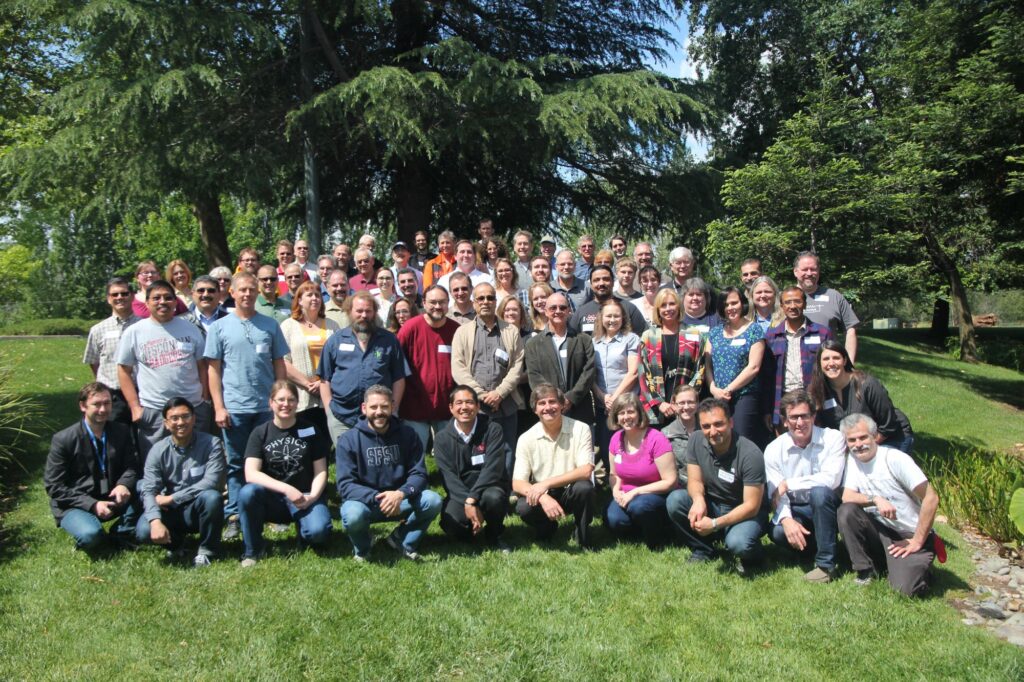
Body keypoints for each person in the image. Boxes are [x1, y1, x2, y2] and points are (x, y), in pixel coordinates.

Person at [204, 271, 289, 540]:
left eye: (252, 290)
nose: (247, 294)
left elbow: (279, 364)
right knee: (237, 463)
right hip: (235, 408)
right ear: (231, 292)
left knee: (272, 461)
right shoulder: (219, 327)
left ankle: (274, 512)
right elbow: (213, 370)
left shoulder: (270, 325)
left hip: (266, 407)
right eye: (242, 290)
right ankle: (234, 515)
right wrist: (219, 406)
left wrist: (281, 398)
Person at [838, 413, 940, 596]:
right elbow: (847, 496)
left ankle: (921, 567)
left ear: (874, 436)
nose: (858, 444)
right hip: (881, 531)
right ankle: (865, 570)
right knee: (846, 511)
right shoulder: (853, 459)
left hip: (909, 533)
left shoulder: (895, 459)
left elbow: (931, 498)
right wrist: (875, 499)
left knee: (905, 590)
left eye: (863, 437)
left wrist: (917, 540)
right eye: (852, 440)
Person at [336, 385, 442, 561]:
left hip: (401, 500)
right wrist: (379, 497)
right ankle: (363, 548)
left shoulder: (408, 434)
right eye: (374, 407)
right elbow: (345, 485)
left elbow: (419, 474)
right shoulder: (349, 440)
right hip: (367, 503)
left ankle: (401, 540)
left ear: (393, 407)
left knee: (432, 500)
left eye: (384, 407)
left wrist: (400, 494)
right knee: (352, 514)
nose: (379, 412)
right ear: (364, 408)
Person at [666, 398, 768, 573]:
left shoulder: (750, 454)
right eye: (706, 426)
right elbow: (695, 480)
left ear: (731, 422)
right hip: (714, 503)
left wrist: (714, 524)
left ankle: (755, 555)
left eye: (718, 424)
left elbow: (752, 506)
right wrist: (698, 500)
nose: (712, 431)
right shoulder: (696, 440)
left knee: (739, 543)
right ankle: (703, 549)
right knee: (675, 500)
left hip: (745, 511)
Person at [238, 381, 332, 566]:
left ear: (297, 403)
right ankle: (253, 550)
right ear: (271, 403)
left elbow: (321, 471)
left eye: (291, 400)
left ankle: (305, 531)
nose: (285, 404)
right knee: (247, 493)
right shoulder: (260, 433)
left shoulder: (311, 430)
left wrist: (313, 496)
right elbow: (251, 474)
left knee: (319, 533)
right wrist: (287, 489)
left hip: (306, 497)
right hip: (273, 500)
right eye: (280, 399)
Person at [117, 279, 210, 461]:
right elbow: (123, 371)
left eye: (168, 298)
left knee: (197, 459)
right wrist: (135, 407)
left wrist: (205, 397)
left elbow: (202, 366)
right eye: (156, 298)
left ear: (175, 302)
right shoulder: (135, 332)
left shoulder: (191, 328)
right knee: (157, 461)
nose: (162, 302)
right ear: (147, 302)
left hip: (193, 406)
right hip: (154, 409)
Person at [44, 382, 139, 552]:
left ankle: (120, 532)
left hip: (112, 496)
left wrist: (123, 484)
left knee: (144, 487)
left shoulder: (121, 431)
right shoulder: (64, 440)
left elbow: (132, 465)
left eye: (107, 403)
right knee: (90, 536)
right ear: (83, 406)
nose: (103, 409)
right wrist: (92, 504)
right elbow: (54, 486)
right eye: (97, 404)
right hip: (76, 503)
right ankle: (93, 534)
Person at [763, 390, 845, 582]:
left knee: (819, 493)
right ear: (784, 421)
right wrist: (786, 520)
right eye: (793, 417)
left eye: (804, 416)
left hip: (830, 507)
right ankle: (810, 550)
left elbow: (831, 480)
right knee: (777, 531)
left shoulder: (833, 438)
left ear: (813, 417)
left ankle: (826, 566)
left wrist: (789, 483)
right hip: (798, 509)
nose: (799, 423)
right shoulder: (774, 449)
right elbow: (776, 494)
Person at [136, 397, 225, 566]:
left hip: (199, 507)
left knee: (212, 497)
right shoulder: (158, 450)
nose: (181, 422)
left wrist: (172, 498)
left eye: (185, 416)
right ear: (166, 423)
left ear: (194, 418)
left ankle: (207, 550)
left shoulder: (212, 444)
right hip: (171, 510)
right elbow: (148, 489)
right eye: (174, 418)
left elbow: (211, 482)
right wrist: (155, 521)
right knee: (144, 530)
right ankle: (177, 545)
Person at [451, 283, 525, 471]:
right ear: (474, 303)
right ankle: (480, 490)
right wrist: (481, 395)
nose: (486, 302)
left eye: (490, 298)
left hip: (506, 403)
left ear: (495, 301)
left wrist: (499, 393)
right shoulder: (462, 332)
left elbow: (517, 365)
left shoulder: (511, 331)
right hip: (477, 406)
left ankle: (506, 490)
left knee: (508, 448)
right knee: (478, 449)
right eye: (481, 298)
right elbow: (458, 368)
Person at [318, 291, 408, 445]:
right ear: (349, 312)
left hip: (379, 415)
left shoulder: (389, 340)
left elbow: (399, 377)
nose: (364, 315)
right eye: (359, 311)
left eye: (368, 311)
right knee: (347, 463)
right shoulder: (335, 341)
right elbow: (324, 379)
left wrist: (394, 408)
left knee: (377, 460)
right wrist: (329, 410)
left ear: (374, 313)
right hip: (342, 415)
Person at [512, 384, 596, 548]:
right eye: (542, 403)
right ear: (535, 409)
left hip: (571, 490)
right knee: (523, 507)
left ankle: (582, 534)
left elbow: (586, 470)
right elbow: (517, 483)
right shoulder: (526, 438)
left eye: (552, 402)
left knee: (585, 488)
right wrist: (543, 496)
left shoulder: (581, 429)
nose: (548, 407)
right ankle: (547, 528)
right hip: (543, 493)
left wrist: (545, 483)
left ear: (562, 405)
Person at [434, 386, 511, 551]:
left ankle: (494, 535)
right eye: (459, 403)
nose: (464, 407)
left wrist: (472, 499)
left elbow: (493, 469)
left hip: (489, 487)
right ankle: (472, 531)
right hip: (460, 491)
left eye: (469, 402)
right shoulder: (441, 439)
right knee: (451, 523)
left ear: (477, 406)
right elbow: (449, 478)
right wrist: (467, 501)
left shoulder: (493, 429)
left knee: (494, 498)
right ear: (451, 408)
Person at [810, 340, 914, 453]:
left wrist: (859, 448)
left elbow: (888, 425)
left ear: (844, 360)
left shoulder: (867, 384)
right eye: (826, 359)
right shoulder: (819, 391)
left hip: (891, 437)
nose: (831, 363)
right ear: (819, 363)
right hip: (856, 443)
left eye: (836, 358)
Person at [605, 393, 676, 548]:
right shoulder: (615, 439)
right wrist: (615, 490)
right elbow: (613, 474)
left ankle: (657, 538)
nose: (626, 417)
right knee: (614, 520)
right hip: (626, 494)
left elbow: (670, 481)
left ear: (639, 413)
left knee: (640, 507)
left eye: (631, 412)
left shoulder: (656, 438)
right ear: (616, 417)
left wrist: (635, 492)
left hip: (654, 494)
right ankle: (640, 529)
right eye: (621, 413)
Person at [397, 284, 461, 451]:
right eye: (433, 302)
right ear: (424, 303)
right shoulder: (410, 328)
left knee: (449, 455)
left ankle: (447, 477)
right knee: (414, 455)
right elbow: (396, 363)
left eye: (442, 302)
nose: (438, 306)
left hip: (447, 406)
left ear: (448, 303)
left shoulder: (456, 331)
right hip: (414, 405)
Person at [762, 286, 834, 431]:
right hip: (783, 399)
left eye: (797, 301)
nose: (793, 306)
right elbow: (766, 377)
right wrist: (768, 410)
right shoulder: (771, 336)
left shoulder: (822, 333)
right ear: (782, 306)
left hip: (813, 399)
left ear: (805, 304)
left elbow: (831, 370)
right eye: (788, 302)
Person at [705, 286, 767, 446]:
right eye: (726, 304)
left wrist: (729, 389)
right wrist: (713, 388)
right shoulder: (715, 333)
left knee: (741, 439)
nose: (730, 308)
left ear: (743, 304)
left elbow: (754, 367)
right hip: (718, 396)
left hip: (744, 395)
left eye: (734, 303)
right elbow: (707, 364)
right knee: (721, 440)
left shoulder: (754, 330)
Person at [524, 292, 596, 425]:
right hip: (549, 411)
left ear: (569, 311)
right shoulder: (532, 344)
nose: (558, 311)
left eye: (562, 308)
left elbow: (589, 372)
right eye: (553, 308)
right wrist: (554, 400)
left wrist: (570, 398)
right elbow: (534, 376)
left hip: (580, 409)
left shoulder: (583, 340)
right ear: (545, 311)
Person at [638, 288, 706, 427]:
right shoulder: (648, 336)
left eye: (672, 304)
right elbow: (643, 374)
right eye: (663, 305)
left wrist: (683, 401)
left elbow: (701, 370)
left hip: (686, 409)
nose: (668, 309)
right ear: (657, 309)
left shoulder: (694, 334)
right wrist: (659, 402)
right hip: (656, 410)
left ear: (679, 306)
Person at [281, 281, 340, 435]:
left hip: (329, 394)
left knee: (327, 440)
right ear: (299, 300)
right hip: (300, 395)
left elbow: (340, 359)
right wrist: (308, 384)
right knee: (305, 439)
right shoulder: (288, 326)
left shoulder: (333, 325)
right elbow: (283, 361)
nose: (315, 298)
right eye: (309, 295)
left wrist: (322, 384)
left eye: (318, 295)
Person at [591, 299, 640, 472]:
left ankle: (632, 480)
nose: (612, 320)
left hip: (625, 403)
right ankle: (613, 483)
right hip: (602, 404)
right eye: (608, 316)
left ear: (623, 318)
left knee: (629, 446)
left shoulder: (631, 339)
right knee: (606, 447)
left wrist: (614, 398)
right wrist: (603, 397)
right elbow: (592, 375)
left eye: (616, 316)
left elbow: (633, 372)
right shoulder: (594, 342)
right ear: (601, 318)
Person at [84, 277, 139, 425]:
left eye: (124, 293)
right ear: (108, 299)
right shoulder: (98, 330)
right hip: (112, 397)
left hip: (141, 392)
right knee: (115, 442)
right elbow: (94, 363)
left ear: (132, 296)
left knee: (143, 440)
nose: (119, 297)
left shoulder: (145, 326)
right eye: (115, 295)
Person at [794, 251, 860, 363]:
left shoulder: (834, 296)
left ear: (818, 271)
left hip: (829, 365)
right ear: (795, 272)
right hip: (795, 366)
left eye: (813, 269)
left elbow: (850, 330)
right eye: (805, 269)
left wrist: (849, 364)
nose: (809, 273)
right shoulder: (785, 298)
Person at [569, 265, 647, 336]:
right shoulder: (581, 312)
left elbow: (644, 337)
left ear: (613, 282)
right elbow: (571, 340)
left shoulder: (629, 308)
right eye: (596, 280)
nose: (601, 283)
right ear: (591, 285)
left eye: (606, 279)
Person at [662, 384, 699, 487]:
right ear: (673, 405)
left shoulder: (708, 428)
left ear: (697, 404)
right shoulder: (666, 434)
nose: (686, 407)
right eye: (681, 403)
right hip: (680, 486)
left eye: (691, 402)